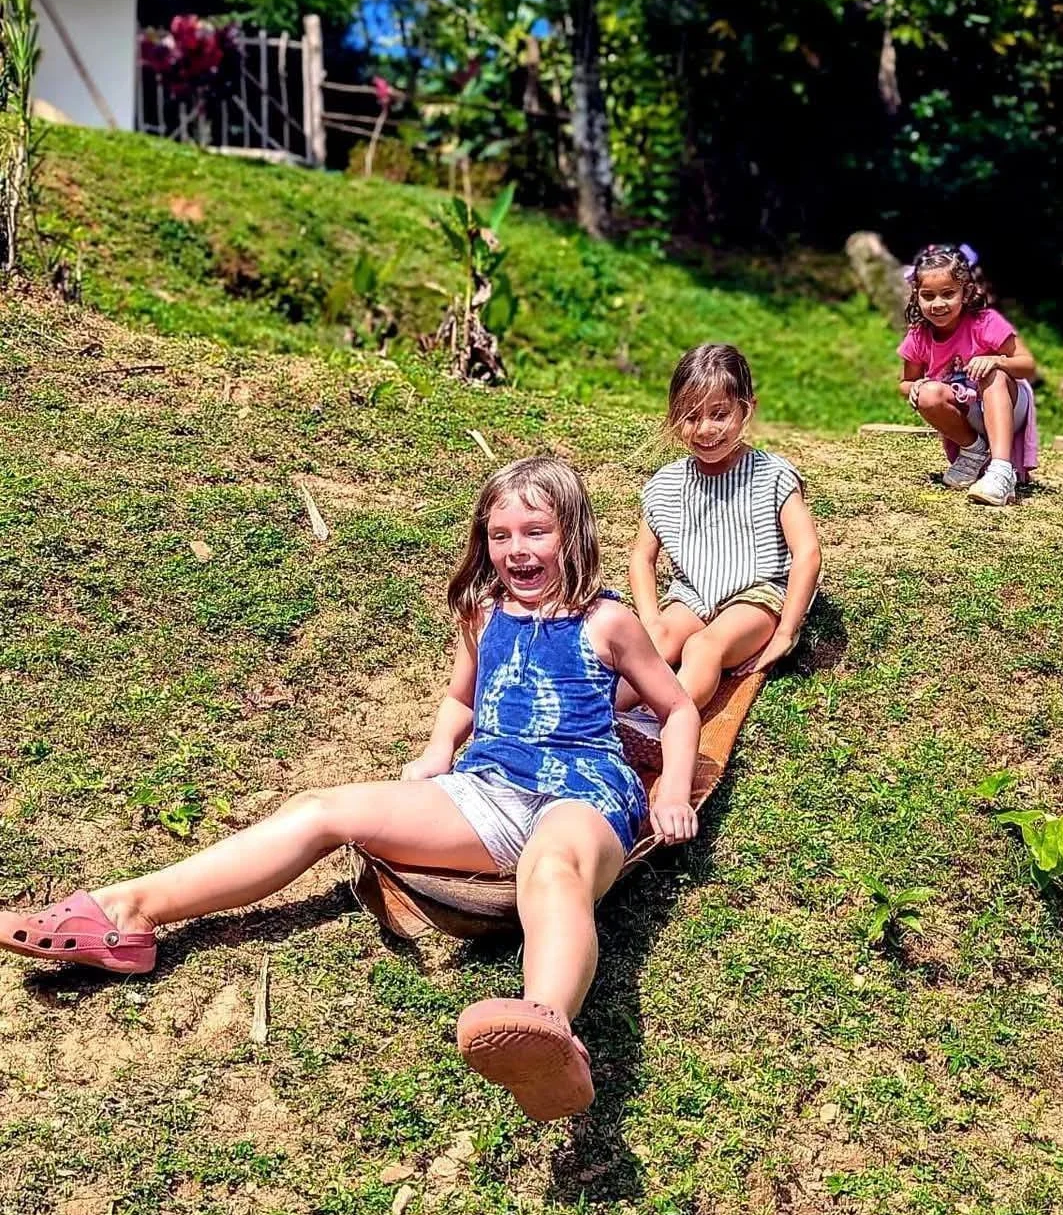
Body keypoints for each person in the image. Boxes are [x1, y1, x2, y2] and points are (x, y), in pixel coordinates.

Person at [0, 458, 700, 1124]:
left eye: (536, 532)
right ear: (484, 542)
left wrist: (670, 786)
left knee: (554, 866)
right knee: (320, 808)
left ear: (572, 534)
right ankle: (128, 912)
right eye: (500, 534)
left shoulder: (605, 621)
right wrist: (435, 751)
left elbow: (677, 709)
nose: (517, 549)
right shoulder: (483, 612)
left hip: (579, 791)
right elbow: (462, 698)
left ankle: (545, 1027)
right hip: (487, 787)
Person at [617, 343, 821, 737]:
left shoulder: (772, 476)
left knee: (703, 647)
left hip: (758, 595)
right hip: (693, 593)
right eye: (691, 417)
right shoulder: (667, 484)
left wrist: (785, 632)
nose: (705, 429)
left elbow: (807, 552)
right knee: (655, 641)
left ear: (747, 409)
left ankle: (659, 725)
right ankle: (593, 720)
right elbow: (642, 558)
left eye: (720, 414)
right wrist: (650, 620)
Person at [898, 242, 1038, 505]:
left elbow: (1027, 365)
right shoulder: (918, 335)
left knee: (991, 373)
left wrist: (997, 360)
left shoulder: (985, 322)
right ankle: (973, 451)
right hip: (966, 413)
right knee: (928, 393)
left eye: (948, 293)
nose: (938, 304)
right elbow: (906, 382)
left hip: (1007, 404)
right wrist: (915, 387)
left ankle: (1001, 470)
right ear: (916, 296)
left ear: (966, 292)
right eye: (928, 296)